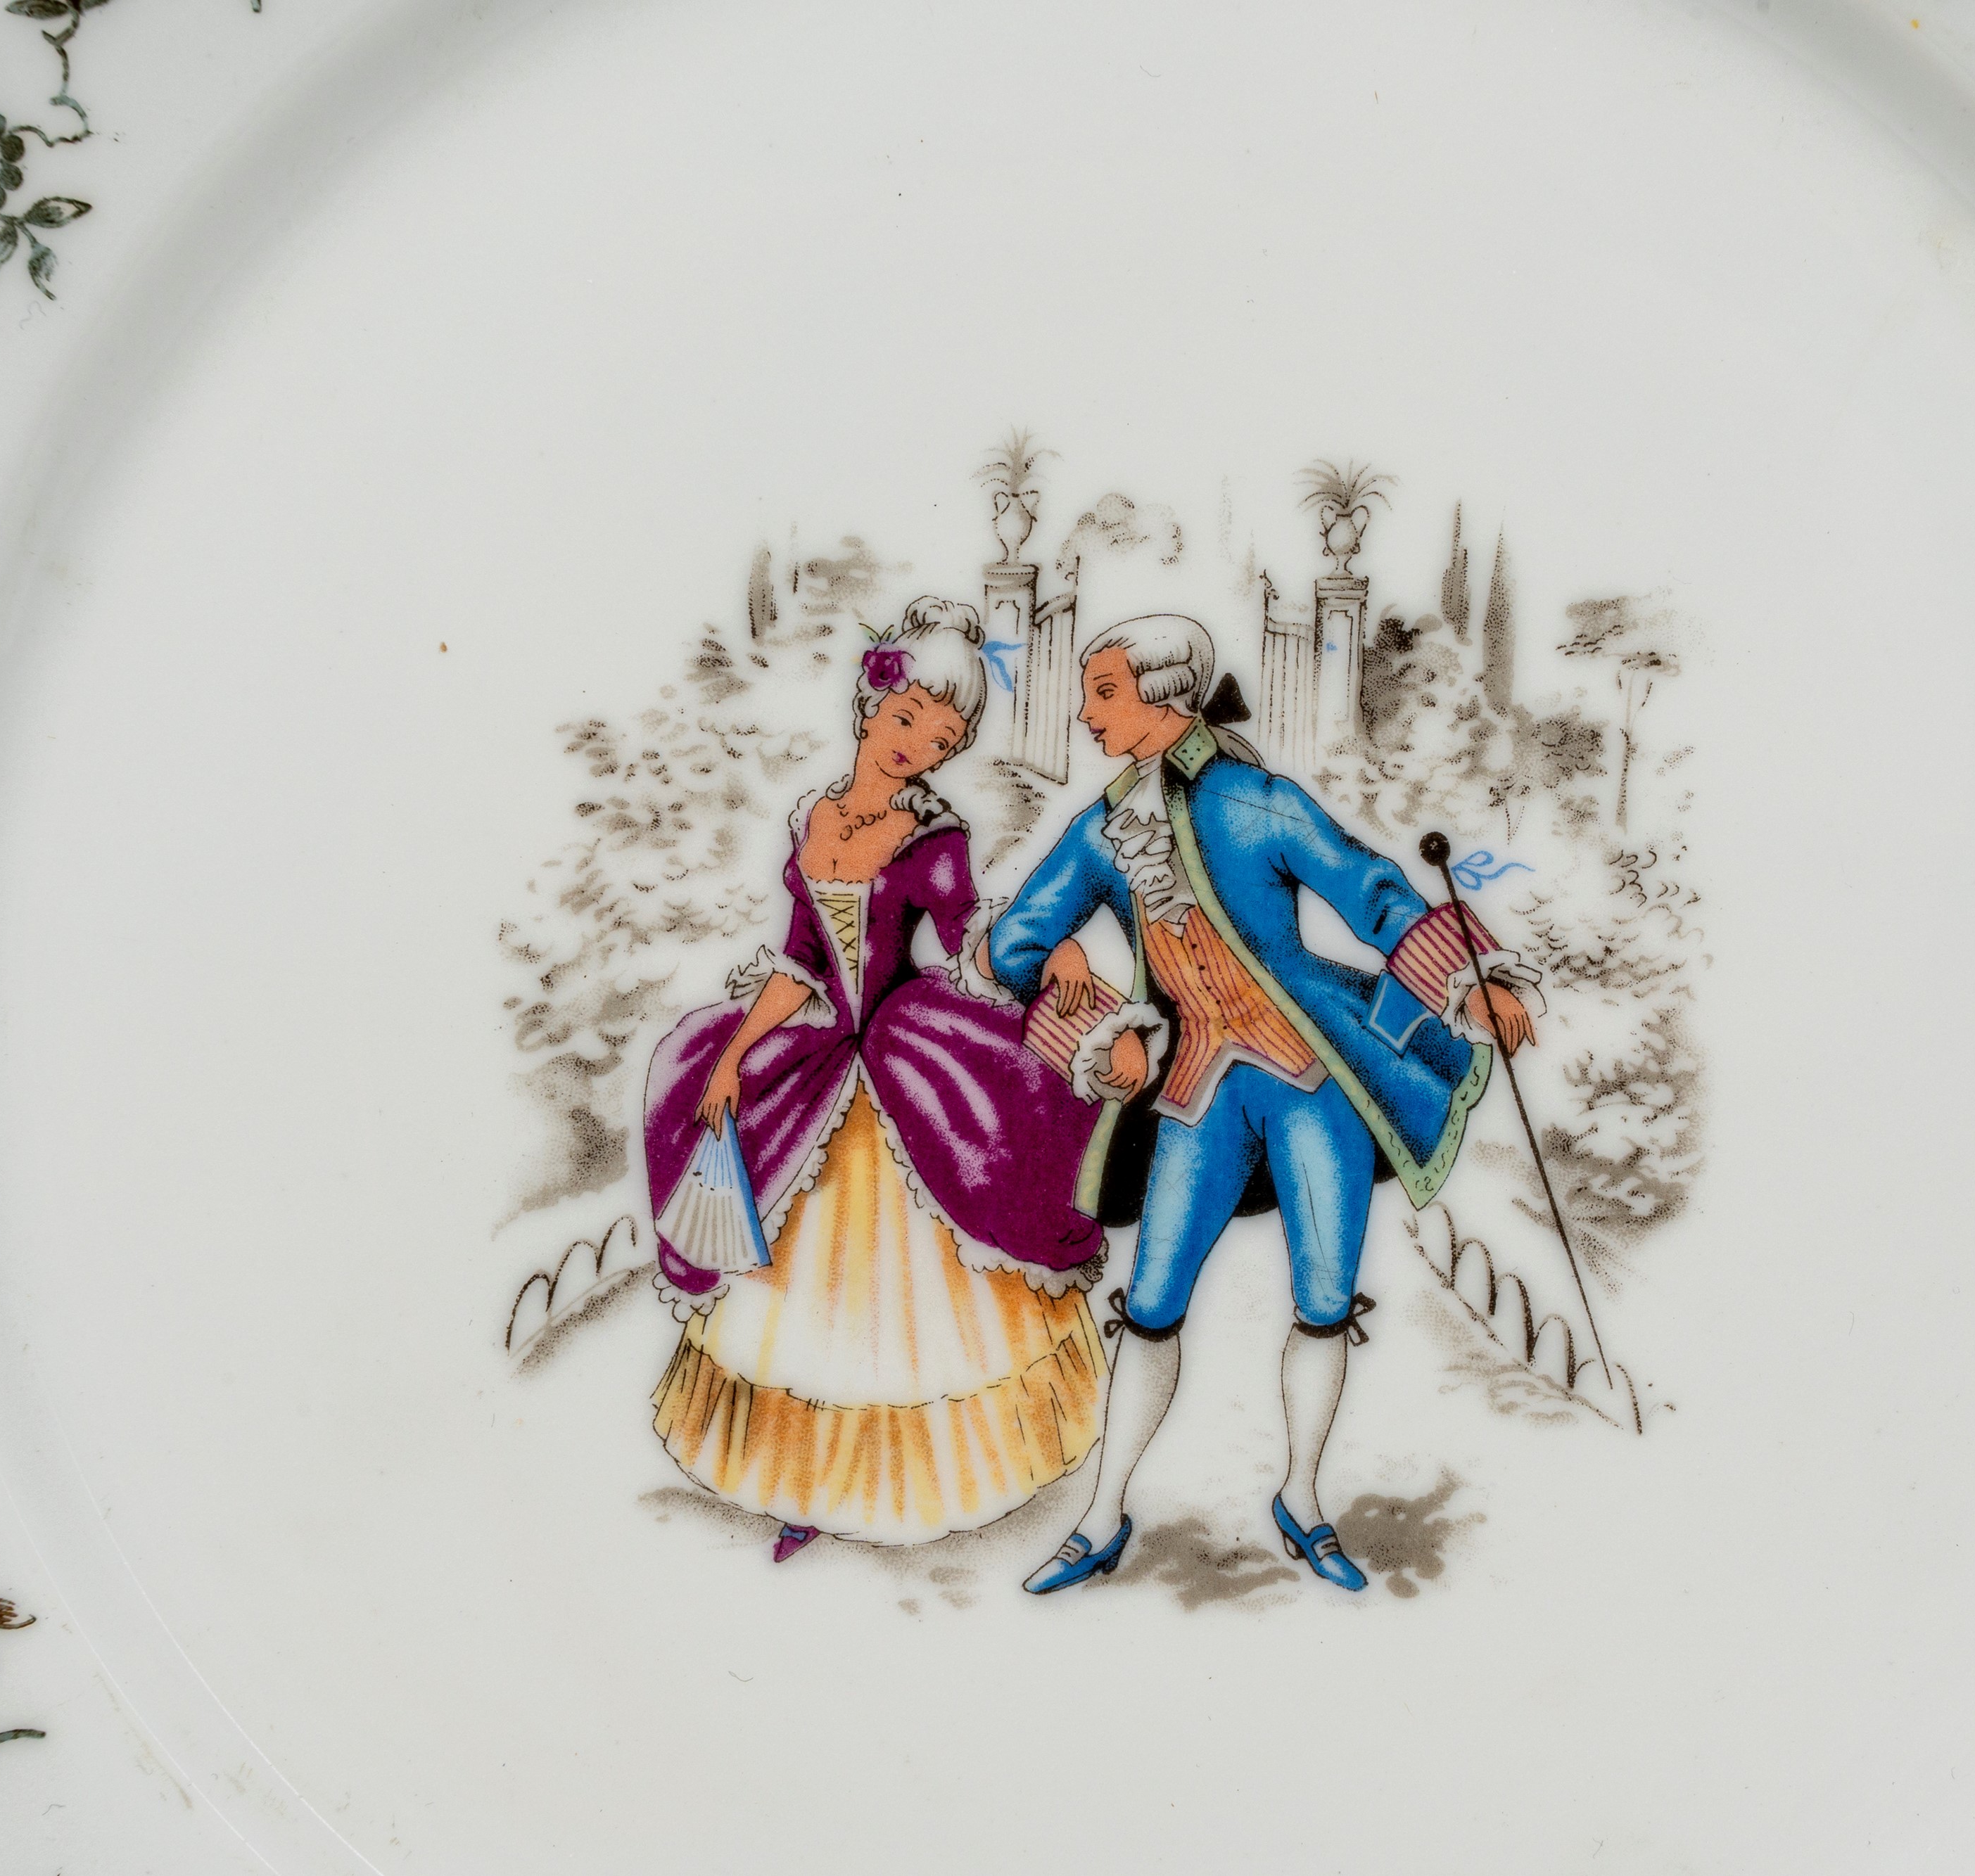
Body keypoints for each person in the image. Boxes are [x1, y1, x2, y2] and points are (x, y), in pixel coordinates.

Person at [974, 613, 1541, 1595]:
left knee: (1323, 1299)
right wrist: (1070, 970)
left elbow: (1371, 893)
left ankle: (1304, 1501)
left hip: (1312, 1084)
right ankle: (1102, 1517)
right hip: (1197, 1090)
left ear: (1165, 697)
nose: (1086, 715)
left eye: (1104, 693)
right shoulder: (1103, 830)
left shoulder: (1256, 801)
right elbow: (1012, 941)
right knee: (1152, 1303)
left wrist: (1474, 982)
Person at [640, 599, 1108, 1559]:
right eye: (906, 720)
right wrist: (732, 1055)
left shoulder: (935, 838)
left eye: (940, 740)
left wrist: (1051, 948)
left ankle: (923, 1487)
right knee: (793, 1281)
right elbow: (801, 961)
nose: (915, 747)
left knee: (913, 1297)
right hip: (820, 1052)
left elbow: (974, 936)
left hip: (906, 1057)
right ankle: (807, 1488)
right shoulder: (812, 818)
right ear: (871, 705)